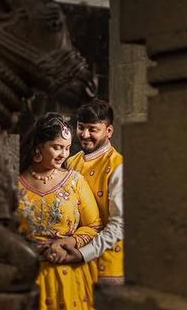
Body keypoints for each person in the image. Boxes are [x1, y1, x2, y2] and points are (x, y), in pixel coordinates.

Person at [18, 112, 102, 310]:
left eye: (66, 148)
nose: (64, 154)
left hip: (69, 275)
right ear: (39, 146)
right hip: (26, 276)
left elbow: (93, 226)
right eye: (57, 147)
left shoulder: (74, 181)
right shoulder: (15, 185)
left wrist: (65, 243)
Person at [65, 99, 124, 285]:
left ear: (109, 131)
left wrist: (83, 253)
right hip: (73, 263)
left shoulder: (118, 166)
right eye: (81, 127)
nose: (85, 134)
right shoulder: (71, 162)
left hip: (107, 269)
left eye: (93, 129)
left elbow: (119, 225)